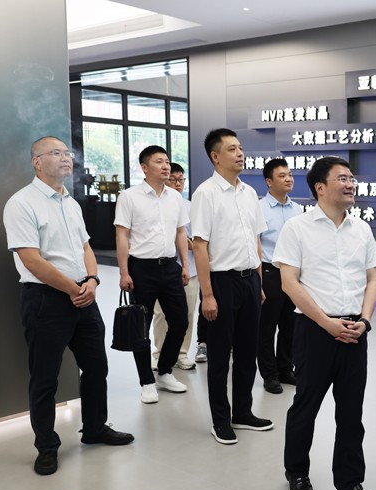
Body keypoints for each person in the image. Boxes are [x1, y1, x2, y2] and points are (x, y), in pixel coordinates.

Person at [3, 136, 134, 475]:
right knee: (45, 378)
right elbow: (31, 259)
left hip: (83, 297)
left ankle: (95, 427)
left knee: (96, 368)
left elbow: (85, 247)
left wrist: (92, 280)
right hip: (46, 300)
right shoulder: (22, 203)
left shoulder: (71, 203)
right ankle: (46, 447)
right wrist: (73, 288)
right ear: (37, 162)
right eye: (56, 153)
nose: (66, 158)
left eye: (67, 153)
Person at [274, 156, 376, 490]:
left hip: (355, 331)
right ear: (320, 187)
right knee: (306, 406)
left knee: (351, 412)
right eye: (342, 179)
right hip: (314, 330)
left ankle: (350, 484)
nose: (351, 184)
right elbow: (289, 283)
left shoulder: (361, 229)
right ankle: (297, 473)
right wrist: (326, 322)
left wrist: (365, 321)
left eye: (352, 178)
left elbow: (372, 279)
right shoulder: (297, 228)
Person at [191, 128, 273, 445]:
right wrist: (207, 295)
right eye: (231, 149)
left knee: (248, 352)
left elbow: (256, 240)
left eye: (240, 148)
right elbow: (200, 246)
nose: (240, 153)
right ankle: (221, 420)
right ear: (215, 156)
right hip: (222, 282)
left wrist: (259, 282)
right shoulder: (206, 194)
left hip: (250, 280)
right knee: (220, 356)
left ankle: (243, 412)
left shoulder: (249, 193)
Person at [115, 146, 190, 404]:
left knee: (180, 321)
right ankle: (146, 381)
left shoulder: (175, 198)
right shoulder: (129, 197)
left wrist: (185, 265)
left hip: (170, 267)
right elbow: (122, 235)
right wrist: (124, 272)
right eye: (159, 162)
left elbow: (181, 232)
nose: (166, 166)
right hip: (141, 270)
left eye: (167, 161)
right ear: (144, 168)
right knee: (141, 328)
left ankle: (165, 371)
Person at [257, 158, 303, 394]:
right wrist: (259, 281)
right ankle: (269, 374)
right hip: (269, 272)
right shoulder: (259, 208)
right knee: (266, 327)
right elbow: (255, 244)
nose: (288, 179)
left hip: (293, 273)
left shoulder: (298, 210)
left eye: (290, 175)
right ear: (269, 181)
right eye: (282, 176)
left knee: (290, 325)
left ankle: (286, 369)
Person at [151, 163, 199, 371]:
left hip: (190, 269)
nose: (178, 184)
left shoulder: (191, 206)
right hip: (162, 269)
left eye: (181, 179)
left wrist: (189, 242)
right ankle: (160, 353)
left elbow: (199, 239)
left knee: (187, 313)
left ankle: (181, 353)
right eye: (173, 179)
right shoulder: (156, 204)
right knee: (161, 314)